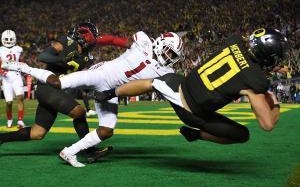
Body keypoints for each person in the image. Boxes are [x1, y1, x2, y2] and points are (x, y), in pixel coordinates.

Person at [2, 31, 185, 167]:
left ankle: (69, 152)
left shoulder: (166, 71)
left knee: (106, 131)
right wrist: (99, 41)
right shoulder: (144, 41)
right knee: (58, 83)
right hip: (101, 73)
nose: (169, 57)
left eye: (173, 56)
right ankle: (24, 67)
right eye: (169, 52)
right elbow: (115, 40)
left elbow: (143, 87)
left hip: (112, 90)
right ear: (160, 43)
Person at [95, 28, 288, 146]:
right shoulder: (255, 81)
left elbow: (242, 63)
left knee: (151, 83)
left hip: (181, 84)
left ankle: (110, 93)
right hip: (193, 112)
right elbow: (267, 124)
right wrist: (273, 98)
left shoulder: (235, 41)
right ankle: (198, 135)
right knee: (242, 135)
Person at [0, 22, 129, 166]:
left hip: (57, 91)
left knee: (37, 133)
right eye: (89, 37)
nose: (92, 41)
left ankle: (1, 138)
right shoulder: (66, 42)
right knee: (79, 112)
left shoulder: (87, 56)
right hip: (47, 87)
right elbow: (43, 56)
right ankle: (90, 151)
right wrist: (62, 59)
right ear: (80, 36)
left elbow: (109, 40)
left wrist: (126, 44)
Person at [0, 30, 25, 128]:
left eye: (10, 39)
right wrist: (1, 71)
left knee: (20, 97)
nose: (9, 41)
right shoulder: (1, 49)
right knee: (9, 102)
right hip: (6, 78)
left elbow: (21, 61)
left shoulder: (18, 49)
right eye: (6, 39)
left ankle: (20, 120)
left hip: (16, 75)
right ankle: (9, 119)